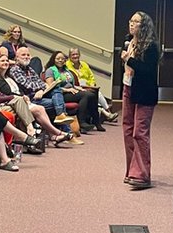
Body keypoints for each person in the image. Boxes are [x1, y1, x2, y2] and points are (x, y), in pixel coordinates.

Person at [121, 10, 160, 190]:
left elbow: (148, 71)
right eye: (131, 20)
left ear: (143, 26)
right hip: (128, 88)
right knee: (127, 130)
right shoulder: (128, 43)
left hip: (144, 93)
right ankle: (132, 170)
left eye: (136, 22)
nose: (131, 24)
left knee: (139, 132)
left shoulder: (151, 46)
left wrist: (129, 60)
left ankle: (142, 174)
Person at [43, 50, 103, 131]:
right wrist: (67, 90)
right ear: (53, 59)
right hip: (59, 94)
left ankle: (96, 122)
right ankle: (81, 122)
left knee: (92, 94)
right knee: (85, 95)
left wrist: (77, 87)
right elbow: (50, 87)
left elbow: (70, 83)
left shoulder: (66, 70)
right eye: (58, 59)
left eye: (62, 59)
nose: (60, 60)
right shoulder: (50, 70)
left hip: (71, 91)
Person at [67, 46, 117, 121]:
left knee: (97, 92)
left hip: (87, 85)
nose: (75, 56)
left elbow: (91, 76)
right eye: (73, 55)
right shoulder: (67, 65)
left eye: (77, 54)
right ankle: (106, 113)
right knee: (93, 95)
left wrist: (92, 84)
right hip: (77, 87)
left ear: (79, 55)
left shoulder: (84, 64)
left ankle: (107, 111)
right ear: (69, 56)